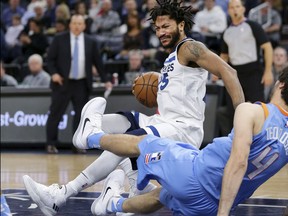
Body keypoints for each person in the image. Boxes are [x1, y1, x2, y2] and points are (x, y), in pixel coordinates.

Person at [22, 1, 245, 215]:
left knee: (128, 141)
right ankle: (101, 146)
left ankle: (65, 189)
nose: (161, 32)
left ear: (181, 25)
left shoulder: (189, 47)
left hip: (182, 130)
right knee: (124, 123)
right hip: (164, 122)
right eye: (157, 28)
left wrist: (242, 119)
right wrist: (157, 82)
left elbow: (229, 73)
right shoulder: (172, 56)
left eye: (166, 26)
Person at [24, 67, 288, 215]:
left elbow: (238, 162)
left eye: (165, 24)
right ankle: (111, 204)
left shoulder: (254, 111)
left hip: (194, 169)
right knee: (160, 196)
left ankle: (90, 136)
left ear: (280, 85)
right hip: (211, 202)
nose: (161, 30)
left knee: (141, 143)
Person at [45, 14, 112, 154]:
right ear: (70, 24)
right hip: (62, 82)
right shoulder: (59, 39)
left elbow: (98, 63)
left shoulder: (90, 41)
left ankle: (77, 145)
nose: (76, 26)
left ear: (84, 26)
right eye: (74, 23)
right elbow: (49, 60)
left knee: (81, 116)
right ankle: (51, 143)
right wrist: (54, 74)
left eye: (79, 23)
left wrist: (106, 79)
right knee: (56, 114)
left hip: (81, 83)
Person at [216, 0, 274, 135]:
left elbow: (267, 47)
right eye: (232, 7)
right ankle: (234, 140)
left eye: (237, 7)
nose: (235, 10)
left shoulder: (253, 26)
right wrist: (216, 71)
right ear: (228, 10)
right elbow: (224, 56)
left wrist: (268, 71)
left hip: (253, 72)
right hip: (235, 74)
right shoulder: (227, 32)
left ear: (243, 9)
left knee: (258, 107)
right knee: (233, 110)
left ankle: (263, 138)